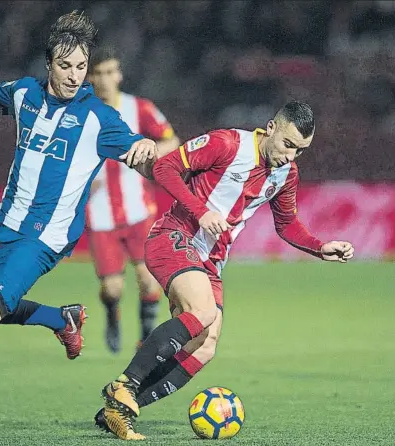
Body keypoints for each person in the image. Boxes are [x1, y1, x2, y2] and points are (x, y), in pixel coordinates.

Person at [0, 11, 158, 440]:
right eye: (66, 66)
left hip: (44, 237)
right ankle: (60, 318)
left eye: (81, 67)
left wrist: (150, 153)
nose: (75, 76)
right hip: (3, 223)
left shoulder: (99, 118)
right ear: (49, 65)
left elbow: (141, 158)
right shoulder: (24, 94)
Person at [96, 101, 355, 440]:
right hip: (175, 236)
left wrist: (320, 247)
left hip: (211, 261)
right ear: (271, 128)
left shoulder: (286, 174)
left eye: (300, 151)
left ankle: (120, 411)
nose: (291, 156)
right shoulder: (227, 143)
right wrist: (201, 212)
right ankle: (124, 384)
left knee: (206, 344)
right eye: (288, 145)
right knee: (201, 312)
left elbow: (287, 223)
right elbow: (165, 169)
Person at [86, 46, 180, 353]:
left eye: (110, 72)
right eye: (98, 73)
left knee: (148, 280)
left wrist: (148, 152)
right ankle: (112, 314)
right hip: (100, 215)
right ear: (89, 77)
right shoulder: (79, 113)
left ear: (120, 74)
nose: (104, 79)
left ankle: (146, 336)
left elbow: (172, 140)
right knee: (112, 288)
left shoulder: (138, 108)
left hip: (139, 210)